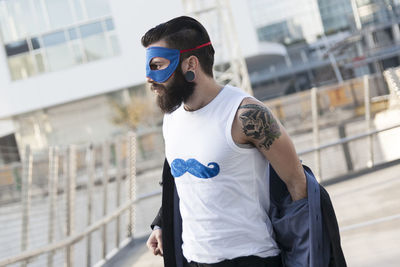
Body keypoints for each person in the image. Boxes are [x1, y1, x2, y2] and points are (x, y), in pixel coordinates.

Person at [142, 16, 345, 267]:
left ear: (190, 64)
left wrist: (304, 259)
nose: (149, 78)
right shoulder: (171, 118)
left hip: (251, 258)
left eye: (158, 65)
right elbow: (184, 178)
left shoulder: (245, 114)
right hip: (193, 259)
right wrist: (163, 222)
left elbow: (297, 184)